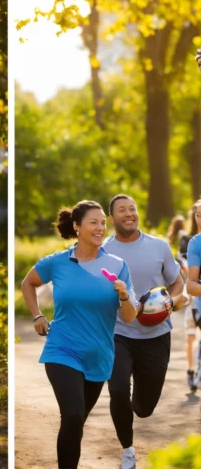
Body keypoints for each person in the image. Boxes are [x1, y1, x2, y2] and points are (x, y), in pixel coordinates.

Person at [21, 200, 139, 468]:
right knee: (73, 415)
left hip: (98, 356)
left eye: (102, 223)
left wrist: (123, 296)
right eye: (93, 222)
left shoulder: (117, 265)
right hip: (62, 349)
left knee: (76, 422)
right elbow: (27, 283)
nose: (100, 228)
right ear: (77, 227)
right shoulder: (58, 262)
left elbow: (130, 316)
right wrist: (37, 315)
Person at [102, 195, 185, 469]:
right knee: (116, 389)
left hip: (156, 335)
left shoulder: (159, 246)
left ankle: (137, 405)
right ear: (111, 219)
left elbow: (176, 283)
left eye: (133, 209)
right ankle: (128, 450)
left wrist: (171, 301)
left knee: (144, 408)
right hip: (119, 333)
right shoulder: (103, 251)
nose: (129, 214)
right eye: (122, 210)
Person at [172, 205, 200, 389]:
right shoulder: (191, 241)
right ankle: (191, 370)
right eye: (198, 215)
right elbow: (190, 282)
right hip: (195, 300)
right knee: (191, 336)